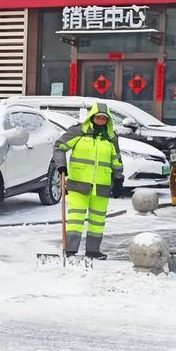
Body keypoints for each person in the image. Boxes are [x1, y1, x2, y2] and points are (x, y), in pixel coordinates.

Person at [53, 103, 125, 259]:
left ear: (108, 120)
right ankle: (70, 250)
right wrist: (61, 167)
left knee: (97, 221)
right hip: (79, 184)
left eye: (104, 118)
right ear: (92, 117)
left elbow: (116, 159)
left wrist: (118, 178)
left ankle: (93, 251)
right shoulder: (79, 131)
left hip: (102, 186)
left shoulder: (111, 137)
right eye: (98, 117)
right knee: (75, 219)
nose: (100, 120)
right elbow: (59, 147)